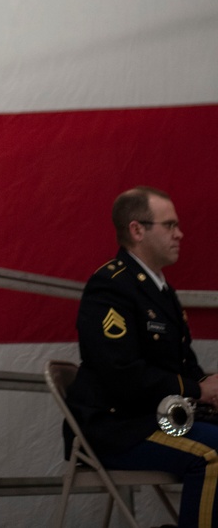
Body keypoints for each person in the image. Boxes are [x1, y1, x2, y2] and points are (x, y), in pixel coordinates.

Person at [66, 186, 218, 526]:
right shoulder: (111, 286)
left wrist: (209, 385)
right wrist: (195, 390)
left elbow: (183, 365)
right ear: (137, 230)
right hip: (118, 427)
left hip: (154, 419)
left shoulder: (160, 290)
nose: (180, 233)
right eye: (169, 225)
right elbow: (120, 374)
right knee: (213, 455)